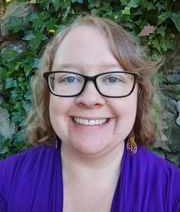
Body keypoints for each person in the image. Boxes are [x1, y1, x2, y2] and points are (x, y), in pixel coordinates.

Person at [0, 15, 179, 212]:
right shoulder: (6, 182)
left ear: (139, 92)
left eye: (112, 79)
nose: (89, 98)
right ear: (49, 92)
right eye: (69, 78)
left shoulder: (172, 194)